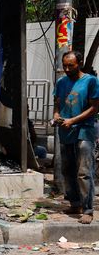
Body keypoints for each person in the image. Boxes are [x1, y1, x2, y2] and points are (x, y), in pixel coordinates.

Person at [53, 50, 99, 225]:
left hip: (84, 131)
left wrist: (73, 120)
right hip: (65, 131)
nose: (67, 68)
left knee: (84, 172)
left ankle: (88, 209)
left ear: (79, 63)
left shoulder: (91, 81)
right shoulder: (61, 82)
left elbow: (94, 108)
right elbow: (57, 102)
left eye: (70, 65)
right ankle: (75, 203)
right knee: (68, 169)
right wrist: (57, 114)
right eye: (65, 65)